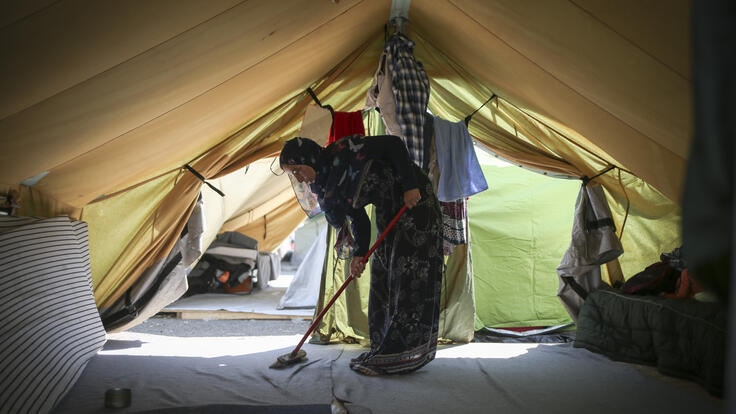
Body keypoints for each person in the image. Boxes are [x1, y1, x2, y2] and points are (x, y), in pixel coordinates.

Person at [279, 134, 443, 375]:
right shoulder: (326, 186)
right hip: (389, 211)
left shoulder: (346, 151)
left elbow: (394, 145)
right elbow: (357, 217)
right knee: (381, 275)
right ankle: (382, 348)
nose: (298, 177)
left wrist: (410, 186)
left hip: (415, 204)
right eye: (292, 174)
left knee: (406, 277)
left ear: (308, 158)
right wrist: (359, 253)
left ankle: (401, 355)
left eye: (297, 169)